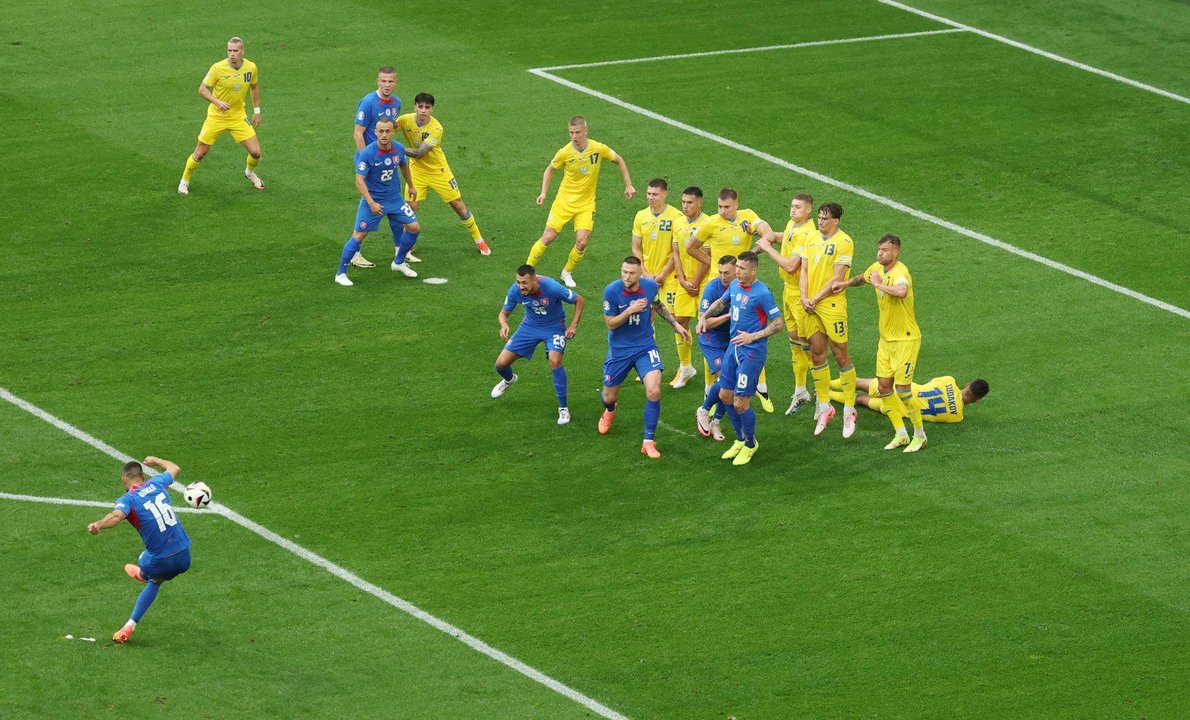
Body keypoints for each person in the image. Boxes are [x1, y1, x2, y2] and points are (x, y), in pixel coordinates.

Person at [831, 234, 926, 451]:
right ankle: (901, 433)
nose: (880, 253)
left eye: (885, 250)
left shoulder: (901, 272)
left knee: (902, 390)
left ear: (896, 252)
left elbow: (901, 291)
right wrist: (845, 283)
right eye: (879, 249)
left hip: (906, 340)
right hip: (885, 341)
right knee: (884, 388)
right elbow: (862, 278)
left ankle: (919, 434)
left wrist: (879, 285)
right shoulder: (876, 267)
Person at [687, 188, 776, 411]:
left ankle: (760, 389)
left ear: (736, 205)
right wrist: (710, 263)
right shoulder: (711, 223)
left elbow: (769, 235)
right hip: (718, 288)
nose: (722, 211)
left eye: (726, 207)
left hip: (742, 286)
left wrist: (753, 251)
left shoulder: (748, 216)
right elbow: (691, 247)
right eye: (719, 207)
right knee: (714, 338)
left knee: (748, 337)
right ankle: (712, 393)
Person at [86, 457, 192, 644]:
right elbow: (175, 467)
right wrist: (155, 460)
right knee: (157, 579)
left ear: (123, 480)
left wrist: (99, 525)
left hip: (160, 560)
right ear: (143, 476)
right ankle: (129, 626)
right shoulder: (157, 482)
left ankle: (142, 574)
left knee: (145, 564)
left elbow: (116, 516)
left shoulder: (129, 499)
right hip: (185, 556)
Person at [526, 116, 636, 288]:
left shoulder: (598, 148)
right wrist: (543, 193)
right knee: (548, 237)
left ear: (586, 131)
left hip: (586, 204)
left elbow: (619, 160)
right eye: (571, 132)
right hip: (564, 202)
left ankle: (567, 272)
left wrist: (628, 185)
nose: (574, 136)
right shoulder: (564, 152)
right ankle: (527, 270)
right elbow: (549, 170)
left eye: (577, 132)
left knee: (582, 242)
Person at [695, 252, 784, 465]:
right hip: (733, 349)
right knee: (725, 396)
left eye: (742, 268)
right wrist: (704, 317)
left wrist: (753, 336)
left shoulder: (761, 293)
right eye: (738, 268)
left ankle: (751, 444)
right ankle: (740, 439)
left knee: (740, 402)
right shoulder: (734, 285)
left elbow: (778, 324)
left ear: (753, 270)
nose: (738, 271)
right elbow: (720, 302)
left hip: (752, 353)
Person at [599, 256, 691, 458]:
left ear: (640, 274)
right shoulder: (612, 291)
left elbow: (657, 305)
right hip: (619, 350)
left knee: (654, 391)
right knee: (608, 396)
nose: (626, 276)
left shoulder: (649, 287)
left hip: (645, 346)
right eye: (624, 271)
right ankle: (610, 409)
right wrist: (630, 310)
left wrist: (676, 325)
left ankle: (648, 441)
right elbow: (610, 323)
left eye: (631, 273)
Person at [397, 93, 491, 259]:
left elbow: (420, 153)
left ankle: (479, 240)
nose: (423, 111)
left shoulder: (436, 128)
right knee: (410, 207)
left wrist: (395, 147)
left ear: (432, 109)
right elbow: (388, 128)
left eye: (427, 107)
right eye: (420, 107)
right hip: (416, 171)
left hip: (438, 171)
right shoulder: (405, 120)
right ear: (415, 107)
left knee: (457, 205)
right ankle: (409, 244)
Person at [492, 265, 585, 425]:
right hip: (529, 327)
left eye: (524, 283)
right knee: (500, 365)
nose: (521, 286)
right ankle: (509, 380)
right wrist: (503, 324)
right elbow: (503, 313)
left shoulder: (551, 287)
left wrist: (573, 325)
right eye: (518, 282)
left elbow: (579, 300)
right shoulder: (515, 290)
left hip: (554, 327)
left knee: (555, 361)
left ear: (535, 280)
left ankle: (563, 409)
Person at [333, 117, 419, 286]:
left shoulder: (399, 149)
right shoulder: (367, 153)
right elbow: (359, 180)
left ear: (393, 131)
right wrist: (371, 202)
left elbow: (403, 165)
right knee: (359, 235)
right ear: (375, 132)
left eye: (388, 131)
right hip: (373, 201)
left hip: (395, 199)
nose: (384, 134)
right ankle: (340, 274)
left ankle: (399, 262)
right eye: (381, 131)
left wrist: (411, 186)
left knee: (414, 227)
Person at [755, 193, 818, 415]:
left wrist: (767, 248)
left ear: (808, 210)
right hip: (788, 291)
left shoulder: (809, 233)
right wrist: (773, 237)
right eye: (791, 206)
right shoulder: (794, 225)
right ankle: (801, 390)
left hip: (801, 294)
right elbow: (788, 237)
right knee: (795, 342)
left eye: (798, 207)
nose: (792, 210)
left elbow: (792, 266)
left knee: (807, 343)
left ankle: (822, 393)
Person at [799, 202, 857, 437]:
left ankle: (850, 409)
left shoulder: (844, 242)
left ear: (836, 221)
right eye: (820, 218)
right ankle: (825, 406)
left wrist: (815, 297)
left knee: (841, 353)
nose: (820, 222)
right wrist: (804, 296)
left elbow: (837, 277)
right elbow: (803, 270)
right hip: (810, 304)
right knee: (816, 353)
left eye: (825, 218)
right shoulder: (811, 238)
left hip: (831, 306)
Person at [179, 37, 264, 195]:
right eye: (229, 51)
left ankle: (250, 173)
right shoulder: (218, 68)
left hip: (238, 116)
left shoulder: (251, 67)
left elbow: (254, 87)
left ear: (242, 51)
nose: (232, 54)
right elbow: (202, 89)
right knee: (200, 153)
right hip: (216, 117)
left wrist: (257, 111)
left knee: (256, 152)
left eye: (235, 51)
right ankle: (184, 181)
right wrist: (217, 102)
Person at [630, 178, 686, 382]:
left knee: (676, 321)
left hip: (668, 278)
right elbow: (636, 247)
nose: (650, 197)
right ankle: (649, 365)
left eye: (654, 194)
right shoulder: (641, 216)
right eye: (648, 193)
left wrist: (662, 274)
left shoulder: (676, 217)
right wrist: (644, 273)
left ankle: (684, 367)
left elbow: (676, 249)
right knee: (646, 320)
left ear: (665, 194)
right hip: (646, 277)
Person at [348, 66, 403, 268]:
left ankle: (401, 251)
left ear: (395, 82)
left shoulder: (396, 103)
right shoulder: (369, 102)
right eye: (384, 81)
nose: (387, 85)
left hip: (386, 162)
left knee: (394, 200)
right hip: (371, 163)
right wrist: (367, 161)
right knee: (368, 203)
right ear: (377, 81)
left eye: (391, 81)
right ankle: (354, 253)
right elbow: (358, 133)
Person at [665, 186, 712, 389]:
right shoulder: (678, 222)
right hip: (684, 282)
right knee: (679, 322)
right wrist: (683, 279)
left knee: (707, 325)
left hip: (705, 282)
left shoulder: (708, 223)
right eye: (683, 202)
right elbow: (675, 252)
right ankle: (686, 367)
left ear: (699, 203)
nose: (685, 206)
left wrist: (696, 281)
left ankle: (714, 368)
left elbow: (708, 256)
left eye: (690, 202)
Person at [693, 255, 738, 441]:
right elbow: (704, 322)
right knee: (725, 378)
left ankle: (716, 422)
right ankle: (704, 410)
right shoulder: (712, 288)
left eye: (726, 272)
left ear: (737, 271)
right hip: (711, 338)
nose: (722, 276)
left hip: (731, 338)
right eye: (720, 272)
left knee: (731, 385)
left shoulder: (741, 288)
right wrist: (728, 316)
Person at [831, 376, 989, 423]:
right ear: (977, 400)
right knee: (859, 400)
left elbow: (930, 383)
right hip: (898, 410)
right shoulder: (957, 417)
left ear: (967, 385)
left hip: (901, 389)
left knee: (859, 382)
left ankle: (826, 385)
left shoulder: (949, 381)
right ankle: (829, 395)